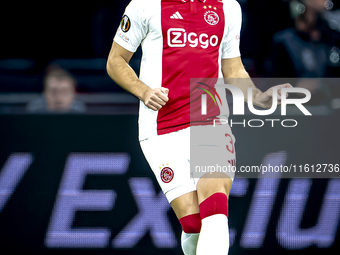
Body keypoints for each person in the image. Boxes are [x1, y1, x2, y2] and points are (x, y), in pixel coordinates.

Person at [107, 0, 290, 254]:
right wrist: (144, 91)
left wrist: (257, 97)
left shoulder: (228, 7)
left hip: (210, 122)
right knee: (193, 225)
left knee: (214, 210)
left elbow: (233, 67)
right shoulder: (145, 5)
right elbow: (115, 60)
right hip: (160, 127)